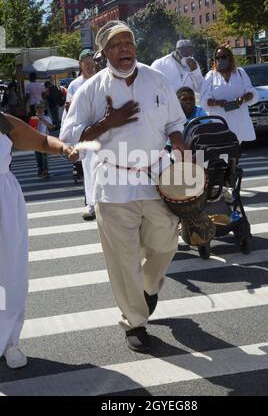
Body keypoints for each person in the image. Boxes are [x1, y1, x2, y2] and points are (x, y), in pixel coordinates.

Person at [61, 20, 187, 352]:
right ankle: (135, 321)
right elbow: (69, 136)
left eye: (129, 42)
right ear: (104, 53)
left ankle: (147, 288)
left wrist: (178, 142)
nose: (125, 49)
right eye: (117, 44)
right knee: (123, 257)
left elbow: (176, 121)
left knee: (165, 243)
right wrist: (107, 122)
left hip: (157, 178)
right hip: (113, 183)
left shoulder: (156, 80)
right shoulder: (91, 89)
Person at [0, 111, 77, 369]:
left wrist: (64, 148)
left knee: (10, 277)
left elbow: (42, 142)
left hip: (4, 205)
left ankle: (9, 342)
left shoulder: (2, 122)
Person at [60, 49, 97, 220]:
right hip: (85, 132)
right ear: (80, 65)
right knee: (88, 168)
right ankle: (91, 205)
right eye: (86, 64)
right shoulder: (75, 85)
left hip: (106, 130)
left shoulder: (103, 78)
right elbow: (69, 111)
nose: (90, 66)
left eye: (92, 63)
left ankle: (105, 203)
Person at [200, 45, 259, 144]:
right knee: (222, 153)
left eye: (223, 57)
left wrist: (243, 99)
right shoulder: (211, 76)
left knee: (235, 153)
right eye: (217, 58)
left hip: (239, 122)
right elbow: (204, 101)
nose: (220, 60)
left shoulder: (240, 73)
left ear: (230, 58)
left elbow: (252, 93)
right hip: (219, 123)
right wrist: (217, 103)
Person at [29, 102, 56, 179]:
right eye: (37, 108)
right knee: (38, 156)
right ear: (35, 109)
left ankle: (45, 170)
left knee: (44, 156)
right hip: (36, 139)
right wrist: (36, 123)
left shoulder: (47, 117)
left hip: (45, 139)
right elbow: (31, 130)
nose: (39, 109)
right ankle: (40, 168)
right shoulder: (33, 118)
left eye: (41, 107)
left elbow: (51, 127)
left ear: (44, 108)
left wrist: (43, 120)